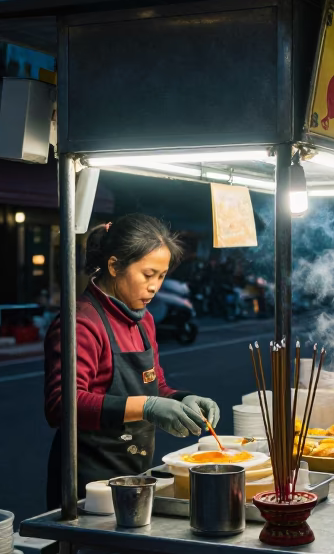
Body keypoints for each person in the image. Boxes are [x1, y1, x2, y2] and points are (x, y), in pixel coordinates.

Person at [44, 215, 220, 509]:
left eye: (162, 276)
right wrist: (148, 408)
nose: (155, 287)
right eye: (148, 274)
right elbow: (61, 404)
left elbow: (155, 385)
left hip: (134, 477)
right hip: (88, 487)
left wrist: (183, 399)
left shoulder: (143, 320)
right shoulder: (81, 323)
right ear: (114, 266)